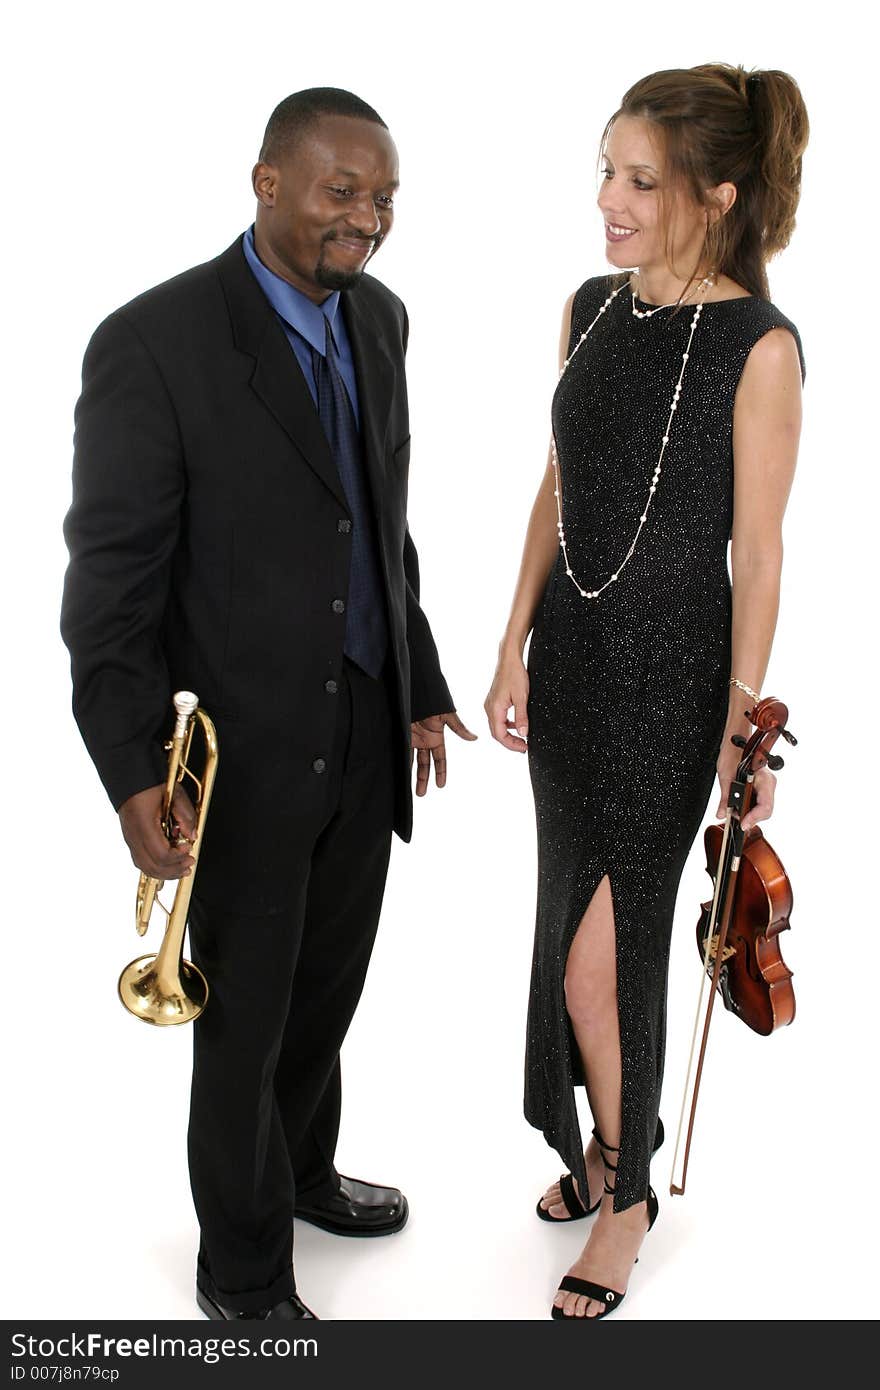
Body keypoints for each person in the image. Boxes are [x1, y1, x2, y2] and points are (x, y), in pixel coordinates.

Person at [61, 87, 475, 1321]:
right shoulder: (153, 343)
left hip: (360, 725)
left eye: (385, 197)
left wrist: (421, 682)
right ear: (267, 182)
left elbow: (375, 522)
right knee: (240, 1022)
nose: (368, 217)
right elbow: (111, 584)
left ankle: (298, 1171)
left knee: (326, 983)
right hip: (234, 750)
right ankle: (242, 1269)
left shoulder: (381, 319)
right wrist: (134, 767)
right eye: (343, 191)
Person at [485, 64, 807, 1320]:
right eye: (604, 170)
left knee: (600, 961)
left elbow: (761, 552)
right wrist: (511, 640)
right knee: (565, 925)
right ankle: (607, 1149)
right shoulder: (588, 306)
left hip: (671, 680)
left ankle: (628, 1197)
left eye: (638, 180)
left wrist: (741, 717)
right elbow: (554, 486)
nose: (607, 201)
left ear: (714, 198)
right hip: (569, 665)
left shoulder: (757, 345)